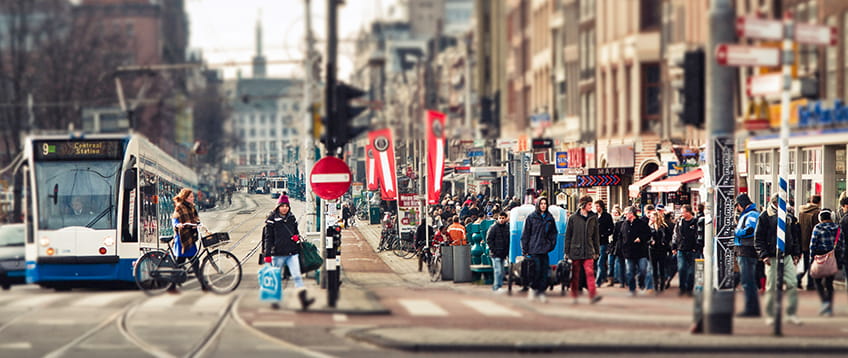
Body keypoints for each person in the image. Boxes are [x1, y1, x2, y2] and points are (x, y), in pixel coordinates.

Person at [755, 194, 802, 326]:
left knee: (792, 283)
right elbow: (758, 238)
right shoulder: (764, 217)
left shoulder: (788, 217)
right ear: (775, 203)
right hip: (771, 256)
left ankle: (791, 313)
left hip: (786, 255)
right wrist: (763, 255)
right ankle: (770, 314)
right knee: (771, 286)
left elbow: (794, 235)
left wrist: (796, 253)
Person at [263, 195, 314, 310]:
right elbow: (268, 238)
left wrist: (296, 237)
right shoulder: (271, 220)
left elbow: (295, 231)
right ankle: (274, 300)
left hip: (292, 252)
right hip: (277, 254)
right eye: (282, 206)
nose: (284, 208)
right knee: (277, 277)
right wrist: (267, 254)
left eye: (286, 206)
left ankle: (304, 300)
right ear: (278, 207)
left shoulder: (291, 218)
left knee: (297, 276)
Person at [565, 195, 603, 304]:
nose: (591, 206)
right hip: (575, 250)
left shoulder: (593, 218)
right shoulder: (573, 218)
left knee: (590, 272)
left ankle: (593, 295)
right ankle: (574, 295)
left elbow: (596, 236)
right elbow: (568, 236)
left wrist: (596, 251)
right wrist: (566, 252)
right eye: (589, 204)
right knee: (575, 274)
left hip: (588, 250)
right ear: (583, 205)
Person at [520, 197, 558, 303]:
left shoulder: (550, 218)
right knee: (535, 270)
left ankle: (541, 291)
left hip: (544, 249)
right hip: (534, 249)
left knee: (544, 271)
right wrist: (525, 248)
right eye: (541, 203)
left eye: (545, 203)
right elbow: (526, 234)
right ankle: (533, 289)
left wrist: (550, 244)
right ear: (538, 205)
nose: (543, 205)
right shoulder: (531, 217)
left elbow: (553, 233)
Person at [810, 209, 843, 316]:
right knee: (829, 283)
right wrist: (839, 259)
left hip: (819, 257)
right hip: (832, 258)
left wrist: (811, 258)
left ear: (820, 218)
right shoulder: (838, 228)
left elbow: (813, 244)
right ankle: (829, 306)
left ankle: (824, 301)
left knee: (817, 280)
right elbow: (842, 245)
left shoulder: (818, 228)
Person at [734, 193, 761, 317]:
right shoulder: (749, 214)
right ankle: (752, 308)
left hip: (747, 251)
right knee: (748, 280)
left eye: (738, 206)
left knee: (747, 281)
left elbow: (750, 230)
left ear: (742, 205)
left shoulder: (751, 215)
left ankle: (751, 309)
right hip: (745, 250)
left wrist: (736, 232)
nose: (737, 209)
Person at [171, 188, 203, 293]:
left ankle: (204, 285)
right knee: (180, 263)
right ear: (185, 198)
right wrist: (177, 224)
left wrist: (196, 224)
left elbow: (196, 218)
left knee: (195, 262)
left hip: (190, 237)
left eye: (193, 197)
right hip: (181, 239)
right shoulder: (179, 207)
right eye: (191, 197)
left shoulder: (192, 207)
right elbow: (174, 219)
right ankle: (171, 286)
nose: (193, 198)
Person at [621, 206, 652, 296]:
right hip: (628, 252)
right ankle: (632, 289)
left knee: (643, 270)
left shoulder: (641, 223)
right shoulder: (624, 224)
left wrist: (641, 238)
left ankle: (641, 282)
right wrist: (622, 248)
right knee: (629, 271)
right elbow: (621, 237)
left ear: (632, 214)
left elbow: (648, 234)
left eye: (627, 213)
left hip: (640, 251)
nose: (625, 215)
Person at [672, 204, 699, 296]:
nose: (682, 214)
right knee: (682, 268)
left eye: (683, 212)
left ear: (688, 212)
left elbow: (698, 235)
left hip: (692, 249)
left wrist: (697, 247)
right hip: (681, 249)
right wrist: (674, 246)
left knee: (691, 271)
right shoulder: (679, 222)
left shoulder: (696, 222)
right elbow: (675, 234)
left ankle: (689, 288)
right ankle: (682, 287)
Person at [798, 195, 821, 290]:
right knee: (811, 263)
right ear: (819, 202)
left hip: (802, 241)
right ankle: (810, 284)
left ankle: (798, 279)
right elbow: (816, 229)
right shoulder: (816, 213)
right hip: (811, 241)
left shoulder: (802, 212)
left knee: (806, 263)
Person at [648, 210, 672, 293]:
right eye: (650, 217)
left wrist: (664, 243)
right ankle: (655, 285)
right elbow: (646, 237)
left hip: (662, 249)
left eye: (652, 217)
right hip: (652, 249)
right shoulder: (649, 227)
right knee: (653, 268)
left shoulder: (664, 227)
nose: (651, 218)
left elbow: (669, 237)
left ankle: (662, 284)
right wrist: (650, 242)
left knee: (661, 267)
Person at [486, 211, 510, 293]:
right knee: (498, 270)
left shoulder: (507, 228)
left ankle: (498, 286)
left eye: (503, 218)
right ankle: (496, 287)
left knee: (501, 271)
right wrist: (493, 250)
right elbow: (489, 239)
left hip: (502, 253)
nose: (501, 220)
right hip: (496, 253)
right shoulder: (494, 227)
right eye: (500, 218)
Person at [594, 200, 614, 288]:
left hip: (603, 242)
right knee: (595, 262)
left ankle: (598, 281)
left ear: (601, 206)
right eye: (596, 206)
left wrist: (604, 234)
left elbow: (611, 228)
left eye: (598, 206)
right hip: (594, 243)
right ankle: (604, 277)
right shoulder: (594, 216)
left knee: (600, 262)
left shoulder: (607, 216)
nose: (596, 208)